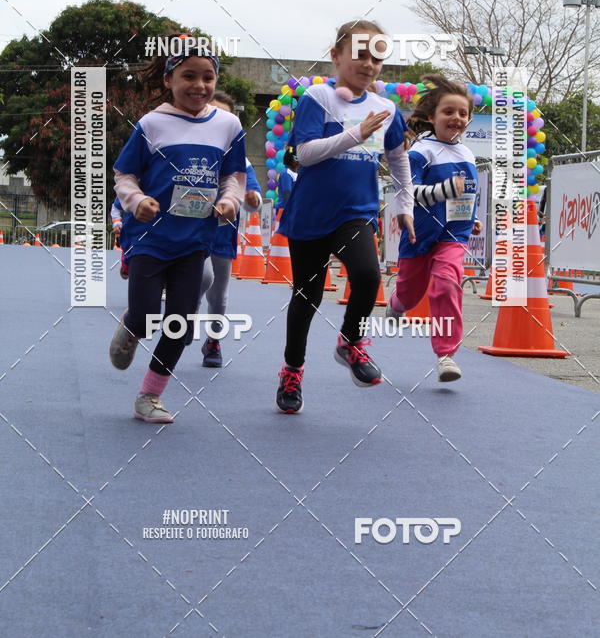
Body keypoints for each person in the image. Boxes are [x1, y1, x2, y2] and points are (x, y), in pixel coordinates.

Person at [275, 20, 415, 413]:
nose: (369, 64)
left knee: (368, 276)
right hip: (310, 213)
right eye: (360, 54)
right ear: (336, 55)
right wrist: (357, 134)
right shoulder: (317, 97)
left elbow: (398, 160)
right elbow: (304, 154)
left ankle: (351, 342)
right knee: (308, 297)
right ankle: (292, 371)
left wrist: (405, 206)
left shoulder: (386, 108)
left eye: (377, 57)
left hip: (356, 212)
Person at [109, 46, 246, 423]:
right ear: (169, 79)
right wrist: (136, 200)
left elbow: (233, 177)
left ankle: (149, 396)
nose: (199, 85)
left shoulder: (228, 126)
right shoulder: (152, 124)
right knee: (145, 316)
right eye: (189, 76)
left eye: (208, 77)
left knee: (180, 322)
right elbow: (124, 174)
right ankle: (132, 325)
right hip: (150, 237)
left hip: (195, 239)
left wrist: (230, 200)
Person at [386, 74, 482, 382]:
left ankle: (446, 354)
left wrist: (470, 218)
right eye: (448, 111)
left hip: (453, 235)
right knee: (411, 294)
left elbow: (464, 194)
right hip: (419, 233)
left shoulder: (467, 154)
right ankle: (397, 303)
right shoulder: (420, 151)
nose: (457, 118)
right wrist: (443, 192)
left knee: (446, 283)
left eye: (463, 113)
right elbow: (407, 190)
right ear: (432, 117)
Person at [194, 90, 262, 368]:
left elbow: (253, 198)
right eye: (212, 114)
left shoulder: (240, 160)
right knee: (203, 277)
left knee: (219, 294)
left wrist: (252, 200)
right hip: (192, 231)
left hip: (223, 232)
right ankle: (186, 317)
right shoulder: (190, 150)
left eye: (225, 117)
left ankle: (213, 341)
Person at [110, 197, 129, 278]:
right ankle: (125, 268)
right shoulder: (125, 193)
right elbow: (116, 207)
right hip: (126, 233)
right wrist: (117, 223)